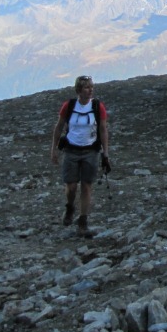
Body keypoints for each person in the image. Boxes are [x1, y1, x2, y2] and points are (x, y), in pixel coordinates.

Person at [50, 75, 111, 235]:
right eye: (86, 87)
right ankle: (70, 207)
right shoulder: (69, 106)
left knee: (86, 185)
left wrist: (106, 153)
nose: (90, 90)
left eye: (91, 87)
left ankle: (83, 220)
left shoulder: (98, 107)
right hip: (71, 150)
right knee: (71, 186)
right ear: (79, 90)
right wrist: (54, 149)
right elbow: (59, 127)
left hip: (91, 151)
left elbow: (103, 130)